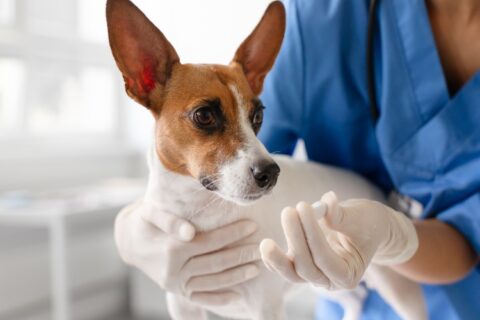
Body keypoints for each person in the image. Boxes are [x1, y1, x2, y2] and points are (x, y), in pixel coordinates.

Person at [114, 0, 479, 319]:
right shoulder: (321, 15)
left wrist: (394, 234)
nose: (248, 138)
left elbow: (470, 237)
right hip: (346, 301)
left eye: (255, 118)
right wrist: (130, 228)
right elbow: (251, 166)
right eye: (205, 118)